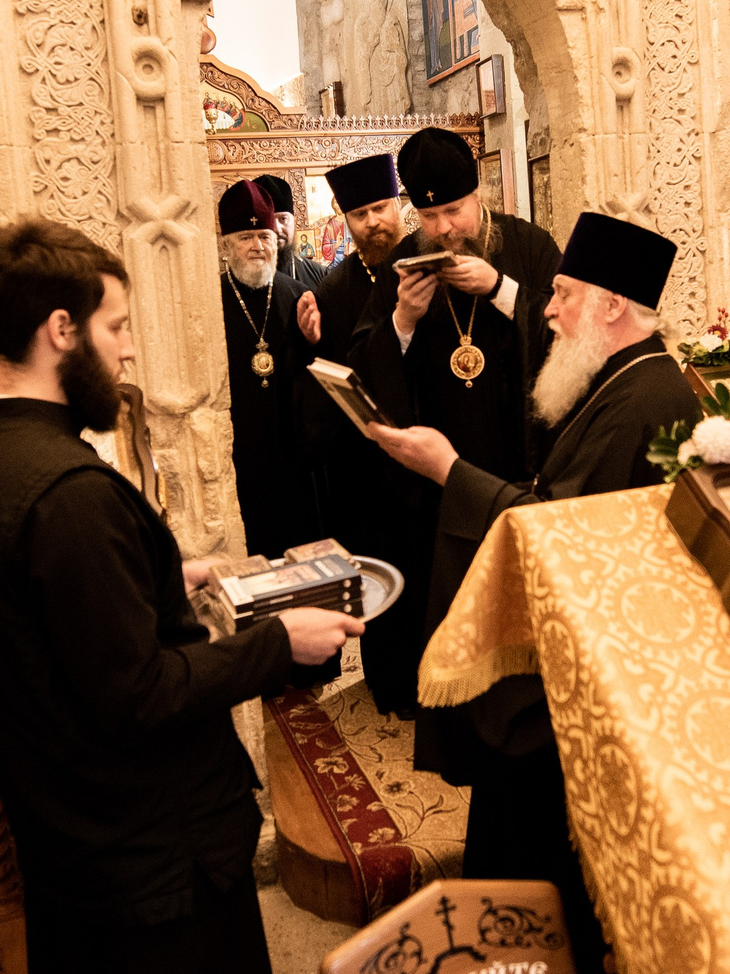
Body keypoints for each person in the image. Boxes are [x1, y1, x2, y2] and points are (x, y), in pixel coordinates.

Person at [0, 219, 359, 974]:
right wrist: (279, 642)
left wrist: (168, 573)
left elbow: (62, 622)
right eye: (116, 326)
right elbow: (138, 691)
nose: (127, 350)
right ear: (60, 328)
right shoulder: (67, 489)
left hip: (68, 824)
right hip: (145, 841)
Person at [368, 211, 697, 974]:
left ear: (612, 307)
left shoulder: (646, 396)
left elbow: (561, 528)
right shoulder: (624, 377)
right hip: (574, 654)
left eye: (563, 294)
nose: (546, 309)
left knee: (530, 824)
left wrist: (450, 470)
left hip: (592, 680)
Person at [350, 125, 559, 635]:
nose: (443, 228)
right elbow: (361, 362)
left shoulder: (528, 245)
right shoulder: (402, 265)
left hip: (520, 460)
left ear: (477, 194)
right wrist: (403, 319)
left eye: (453, 210)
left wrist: (501, 289)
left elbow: (569, 331)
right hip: (439, 481)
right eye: (428, 216)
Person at [304, 152, 431, 716]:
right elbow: (331, 376)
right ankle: (392, 684)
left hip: (433, 448)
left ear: (399, 204)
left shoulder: (431, 260)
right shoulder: (334, 290)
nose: (374, 222)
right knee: (382, 574)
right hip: (369, 465)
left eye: (381, 207)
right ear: (345, 220)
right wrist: (310, 343)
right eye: (359, 214)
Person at [218, 179, 325, 557]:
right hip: (237, 452)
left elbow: (318, 376)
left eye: (264, 236)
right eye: (245, 237)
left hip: (292, 453)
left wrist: (315, 342)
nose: (257, 246)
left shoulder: (297, 295)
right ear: (226, 245)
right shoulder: (212, 299)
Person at [256, 173, 322, 290]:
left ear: (294, 221)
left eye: (283, 219)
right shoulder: (238, 278)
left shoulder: (320, 275)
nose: (277, 229)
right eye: (269, 220)